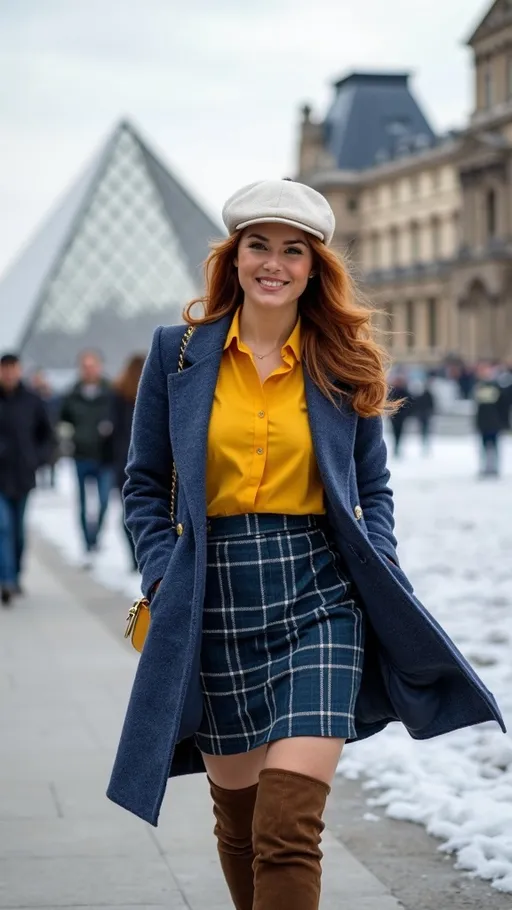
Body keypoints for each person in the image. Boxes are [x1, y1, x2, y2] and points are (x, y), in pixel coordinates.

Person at [107, 180, 504, 910]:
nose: (275, 263)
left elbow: (373, 488)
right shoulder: (178, 354)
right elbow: (143, 484)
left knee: (288, 826)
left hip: (320, 599)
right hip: (213, 603)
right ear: (235, 257)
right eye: (259, 244)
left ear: (315, 266)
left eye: (294, 250)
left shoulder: (344, 356)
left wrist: (376, 558)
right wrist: (164, 574)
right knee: (242, 824)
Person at [0, 353, 54, 604]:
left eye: (12, 369)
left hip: (22, 476)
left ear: (19, 370)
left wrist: (37, 458)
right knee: (3, 528)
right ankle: (6, 580)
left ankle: (15, 574)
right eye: (4, 369)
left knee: (18, 531)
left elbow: (47, 436)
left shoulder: (32, 401)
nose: (9, 374)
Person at [60, 350, 113, 563]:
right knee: (82, 504)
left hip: (104, 457)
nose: (90, 369)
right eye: (86, 366)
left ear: (100, 367)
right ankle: (87, 543)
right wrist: (68, 439)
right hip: (80, 455)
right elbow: (63, 421)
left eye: (93, 365)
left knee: (103, 502)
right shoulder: (71, 395)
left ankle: (96, 536)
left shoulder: (110, 393)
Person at [110, 353, 146, 571]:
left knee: (128, 513)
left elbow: (112, 431)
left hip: (123, 462)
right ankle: (140, 556)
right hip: (146, 462)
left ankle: (135, 557)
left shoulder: (118, 395)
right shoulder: (153, 393)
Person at [473, 362, 505, 477]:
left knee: (494, 446)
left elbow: (502, 406)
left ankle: (494, 467)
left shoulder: (497, 387)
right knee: (484, 447)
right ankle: (486, 467)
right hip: (484, 423)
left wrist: (502, 422)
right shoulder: (479, 386)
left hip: (494, 422)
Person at [387, 372, 414, 456]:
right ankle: (396, 447)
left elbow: (410, 404)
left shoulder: (404, 391)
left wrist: (405, 414)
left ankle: (397, 447)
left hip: (400, 416)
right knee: (395, 432)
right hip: (394, 416)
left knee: (399, 432)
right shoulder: (393, 391)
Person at [414, 377, 435, 453]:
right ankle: (425, 444)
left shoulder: (424, 395)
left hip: (424, 415)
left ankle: (425, 444)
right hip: (424, 416)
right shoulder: (425, 395)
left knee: (425, 430)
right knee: (425, 430)